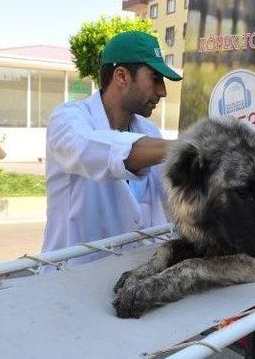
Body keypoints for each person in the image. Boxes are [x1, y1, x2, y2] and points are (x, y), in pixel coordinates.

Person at [41, 31, 182, 266]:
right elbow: (87, 149)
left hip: (129, 275)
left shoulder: (149, 131)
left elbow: (173, 191)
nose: (162, 91)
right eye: (155, 78)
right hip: (70, 279)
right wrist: (187, 146)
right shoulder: (68, 119)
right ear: (121, 76)